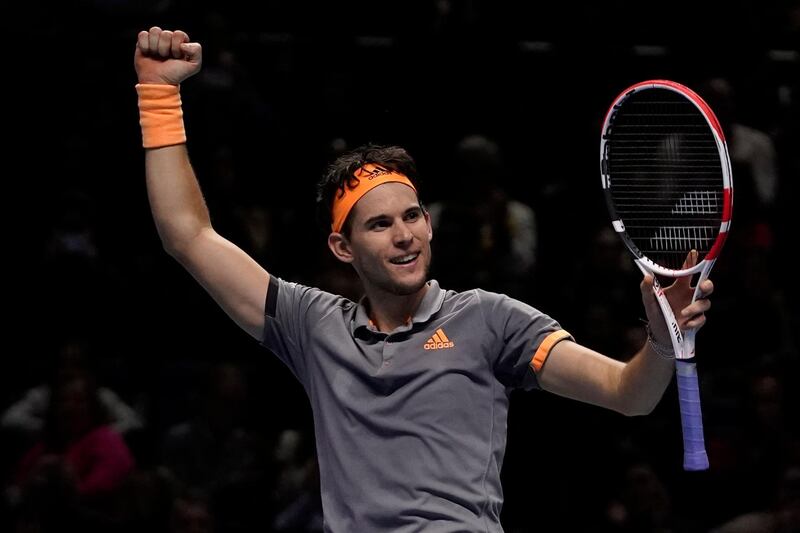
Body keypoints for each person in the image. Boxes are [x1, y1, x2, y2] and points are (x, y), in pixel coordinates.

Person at [133, 27, 714, 532]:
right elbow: (187, 236)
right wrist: (159, 95)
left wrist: (663, 340)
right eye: (380, 224)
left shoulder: (489, 319)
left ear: (430, 224)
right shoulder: (312, 325)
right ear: (343, 247)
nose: (404, 235)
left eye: (412, 216)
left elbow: (627, 394)